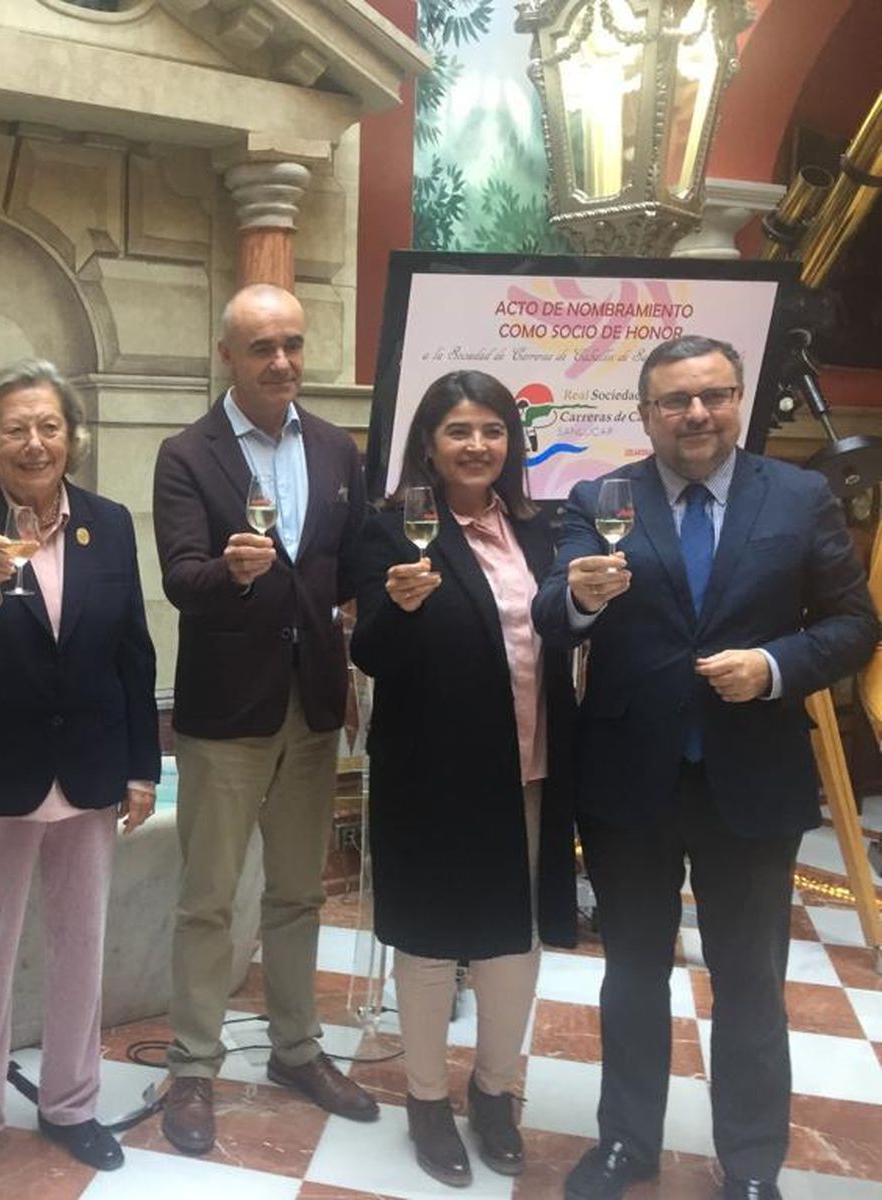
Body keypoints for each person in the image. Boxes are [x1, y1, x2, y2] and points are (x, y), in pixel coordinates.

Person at [533, 335, 879, 1200]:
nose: (696, 414)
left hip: (751, 779)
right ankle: (626, 1144)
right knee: (635, 973)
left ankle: (753, 1162)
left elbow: (853, 624)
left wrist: (772, 669)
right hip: (629, 783)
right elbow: (549, 610)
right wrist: (579, 597)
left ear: (737, 400)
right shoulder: (599, 495)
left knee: (751, 979)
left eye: (714, 396)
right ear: (646, 415)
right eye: (675, 401)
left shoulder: (797, 497)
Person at [0, 359, 159, 1193]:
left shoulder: (109, 522)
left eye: (49, 426)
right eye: (15, 428)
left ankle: (71, 1104)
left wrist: (141, 767)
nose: (34, 442)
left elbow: (133, 648)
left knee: (79, 950)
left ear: (72, 436)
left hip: (89, 770)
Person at [152, 284, 371, 1154]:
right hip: (225, 714)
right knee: (209, 899)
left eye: (291, 344)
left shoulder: (335, 449)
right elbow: (178, 580)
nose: (281, 361)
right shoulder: (186, 455)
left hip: (312, 705)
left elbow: (342, 572)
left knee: (298, 892)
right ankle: (194, 1065)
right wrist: (231, 575)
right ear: (227, 356)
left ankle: (296, 1050)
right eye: (261, 348)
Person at [349, 370, 579, 1186]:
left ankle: (493, 1089)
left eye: (491, 430)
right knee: (430, 941)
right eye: (458, 431)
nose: (477, 445)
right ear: (429, 446)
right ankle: (422, 1098)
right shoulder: (390, 532)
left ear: (511, 442)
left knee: (513, 938)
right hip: (433, 774)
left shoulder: (544, 531)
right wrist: (399, 608)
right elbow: (368, 652)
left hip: (530, 765)